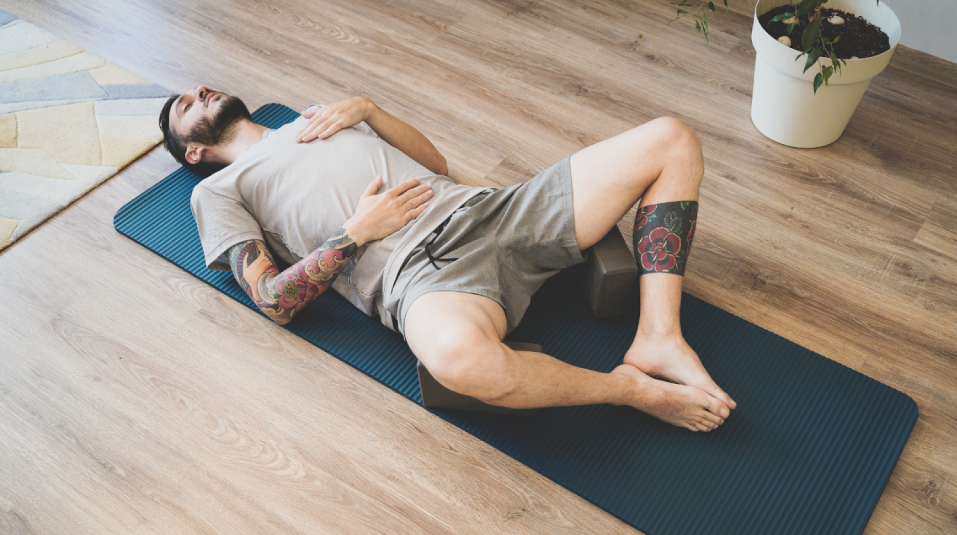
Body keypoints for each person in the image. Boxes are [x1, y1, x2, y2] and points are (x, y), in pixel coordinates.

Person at [158, 85, 736, 432]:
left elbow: (437, 166)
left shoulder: (314, 117)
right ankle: (633, 389)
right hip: (420, 276)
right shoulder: (214, 190)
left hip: (490, 211)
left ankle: (659, 336)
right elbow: (271, 299)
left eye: (200, 88)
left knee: (672, 137)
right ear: (193, 149)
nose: (200, 92)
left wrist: (366, 108)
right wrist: (357, 233)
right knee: (460, 362)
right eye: (186, 104)